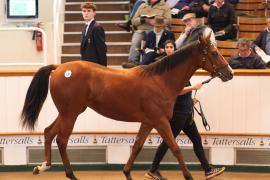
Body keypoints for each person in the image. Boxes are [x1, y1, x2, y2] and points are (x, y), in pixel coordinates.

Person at [145, 39, 226, 180]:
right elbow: (173, 91)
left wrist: (190, 99)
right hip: (177, 112)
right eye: (167, 47)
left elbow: (181, 88)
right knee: (169, 142)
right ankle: (153, 169)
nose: (169, 49)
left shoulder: (178, 66)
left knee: (196, 140)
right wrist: (193, 88)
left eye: (172, 47)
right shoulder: (166, 68)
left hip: (186, 110)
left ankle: (208, 170)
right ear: (164, 49)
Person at [122, 0, 171, 68]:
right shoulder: (142, 6)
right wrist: (143, 20)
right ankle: (132, 62)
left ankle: (144, 64)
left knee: (152, 39)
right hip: (142, 29)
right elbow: (133, 21)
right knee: (136, 39)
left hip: (157, 29)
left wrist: (156, 21)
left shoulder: (165, 6)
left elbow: (168, 20)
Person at [80, 2, 107, 66]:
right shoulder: (85, 27)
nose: (86, 13)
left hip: (95, 65)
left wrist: (103, 67)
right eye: (84, 11)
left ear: (94, 13)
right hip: (86, 64)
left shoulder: (97, 27)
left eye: (89, 11)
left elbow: (101, 49)